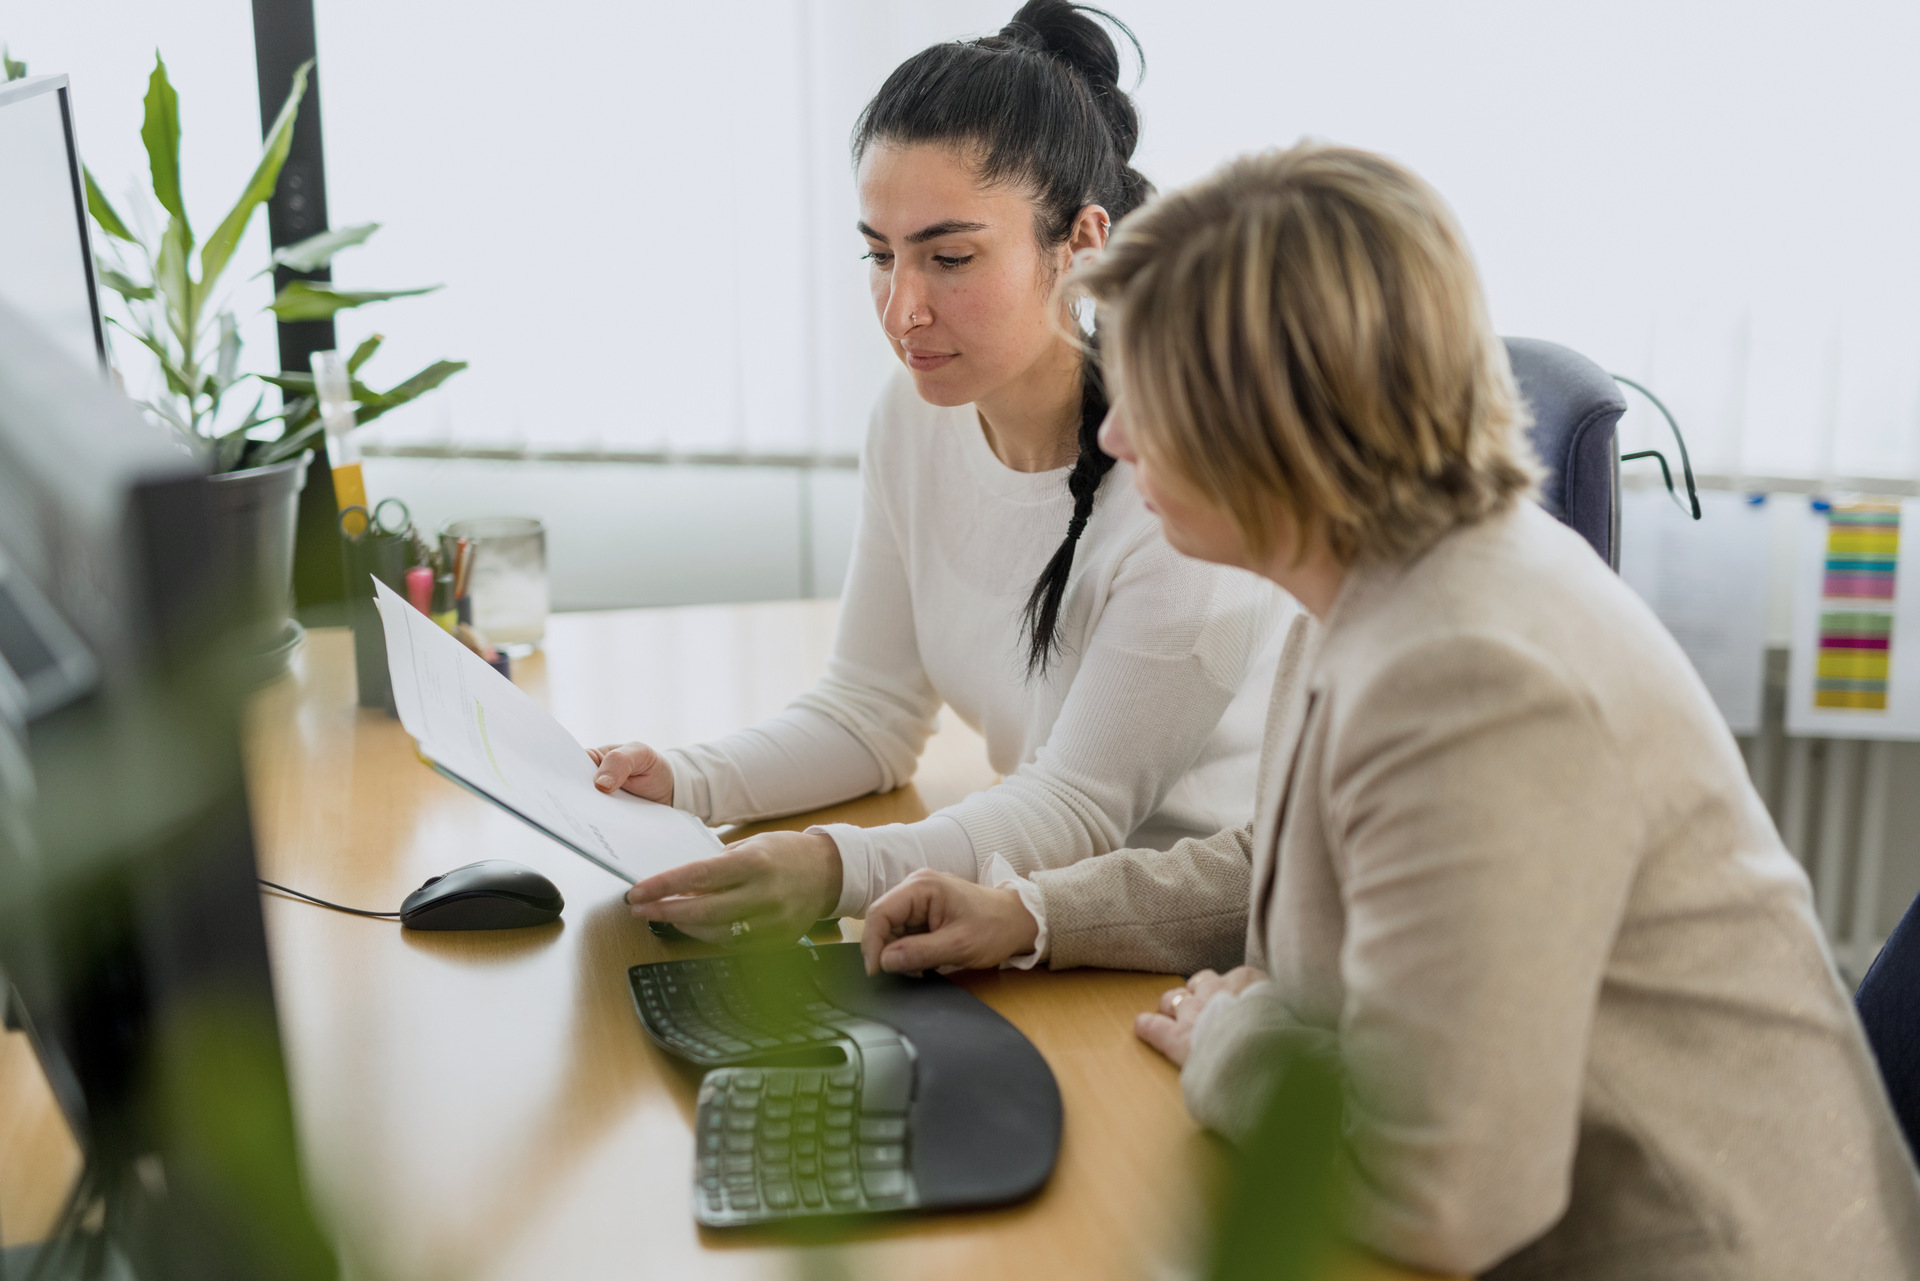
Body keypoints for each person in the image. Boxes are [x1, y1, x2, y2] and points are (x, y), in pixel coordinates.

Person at [859, 145, 1920, 1277]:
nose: (1113, 437)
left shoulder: (1478, 674)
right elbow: (1288, 857)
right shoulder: (1369, 578)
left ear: (1285, 414)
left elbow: (1448, 1191)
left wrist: (1238, 1041)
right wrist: (1030, 915)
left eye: (1152, 395)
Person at [592, 1, 1286, 945]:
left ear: (1083, 245)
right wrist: (679, 779)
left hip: (1174, 928)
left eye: (950, 257)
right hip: (1016, 902)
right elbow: (868, 712)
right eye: (880, 256)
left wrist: (832, 867)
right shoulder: (916, 416)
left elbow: (1076, 809)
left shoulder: (1184, 486)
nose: (902, 310)